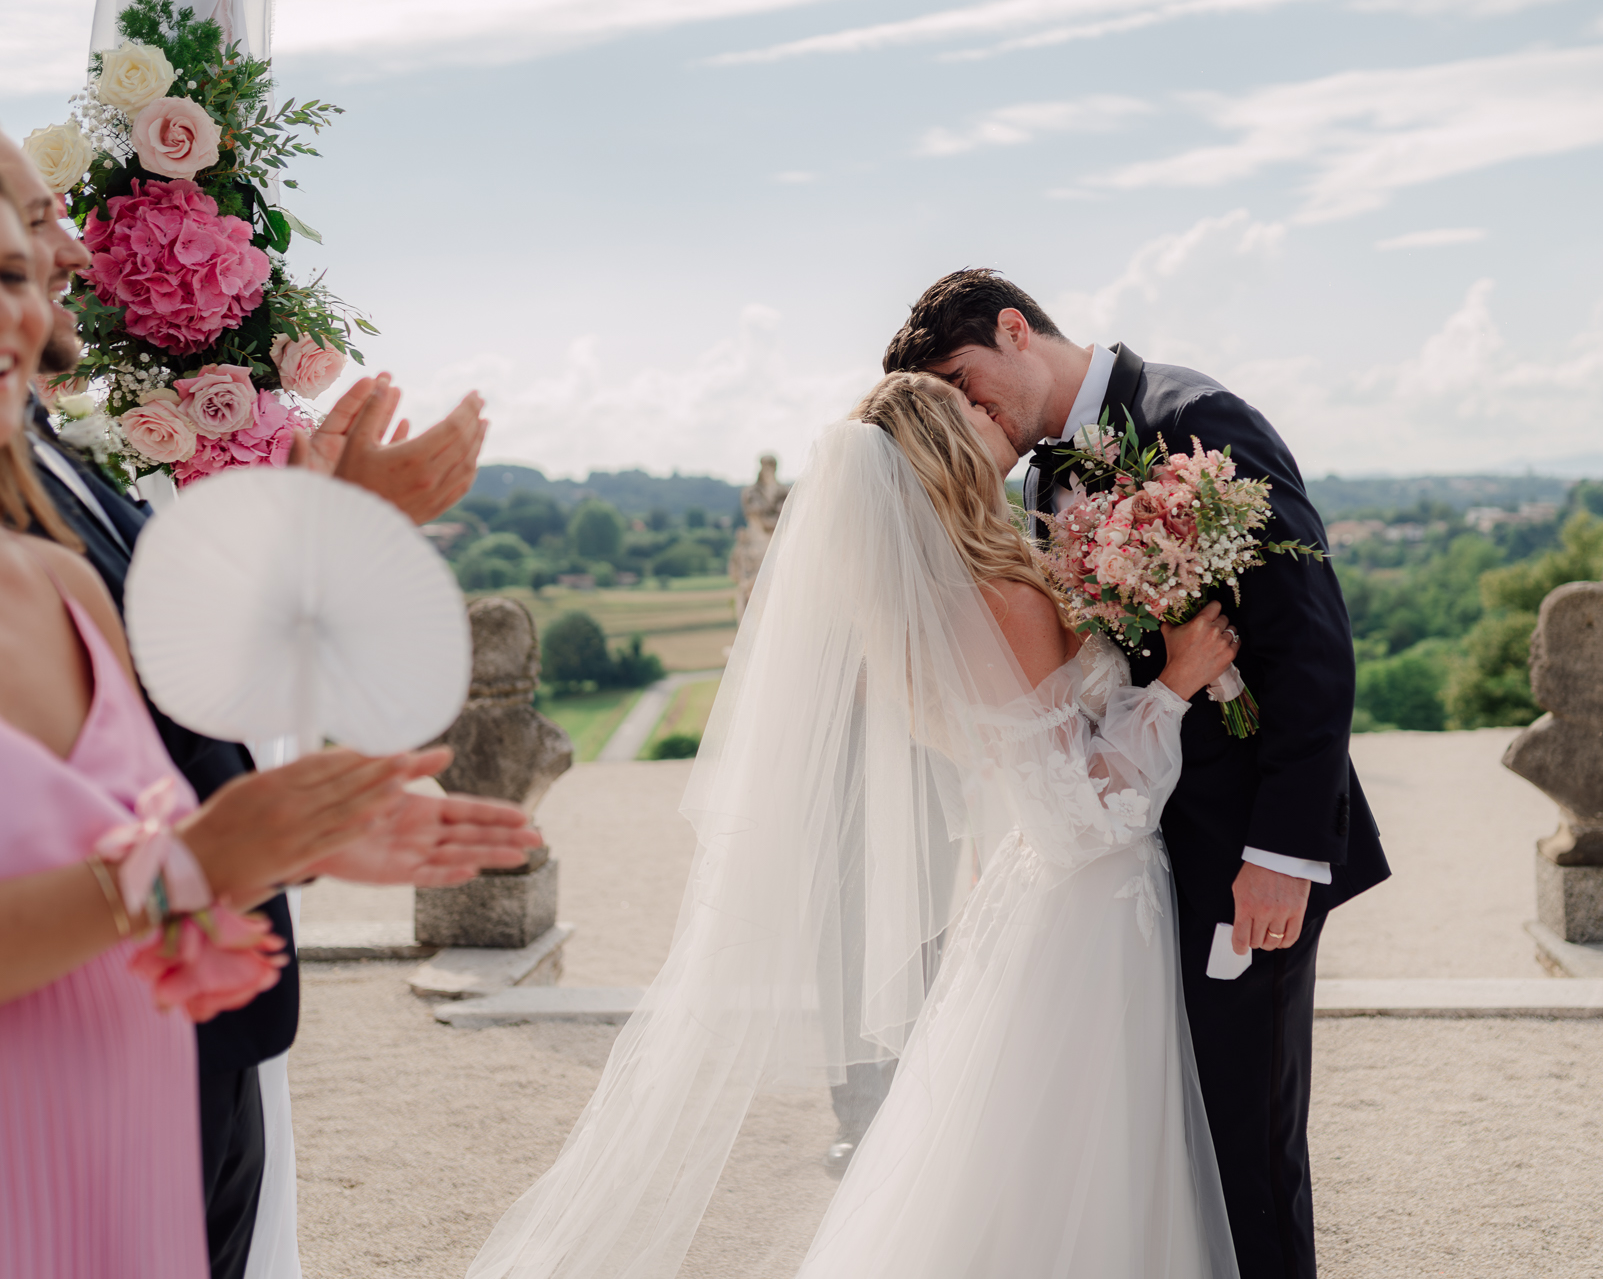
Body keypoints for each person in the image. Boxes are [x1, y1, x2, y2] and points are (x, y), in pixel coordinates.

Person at [469, 372, 1245, 1277]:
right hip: (1087, 906)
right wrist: (1173, 686)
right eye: (970, 415)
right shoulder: (1005, 602)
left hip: (1034, 898)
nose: (992, 420)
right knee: (1081, 1175)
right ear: (945, 454)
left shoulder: (931, 608)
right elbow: (1079, 818)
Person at [0, 168, 539, 1279]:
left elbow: (156, 722)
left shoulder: (49, 557)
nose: (44, 276)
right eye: (27, 242)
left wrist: (282, 834)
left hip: (150, 1090)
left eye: (21, 252)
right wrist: (196, 861)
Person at [885, 270, 1388, 1277]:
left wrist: (1283, 851)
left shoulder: (1191, 418)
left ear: (1014, 329)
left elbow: (1309, 644)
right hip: (1127, 868)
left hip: (1244, 862)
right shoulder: (1038, 482)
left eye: (960, 379)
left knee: (1245, 1148)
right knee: (1162, 1156)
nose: (964, 412)